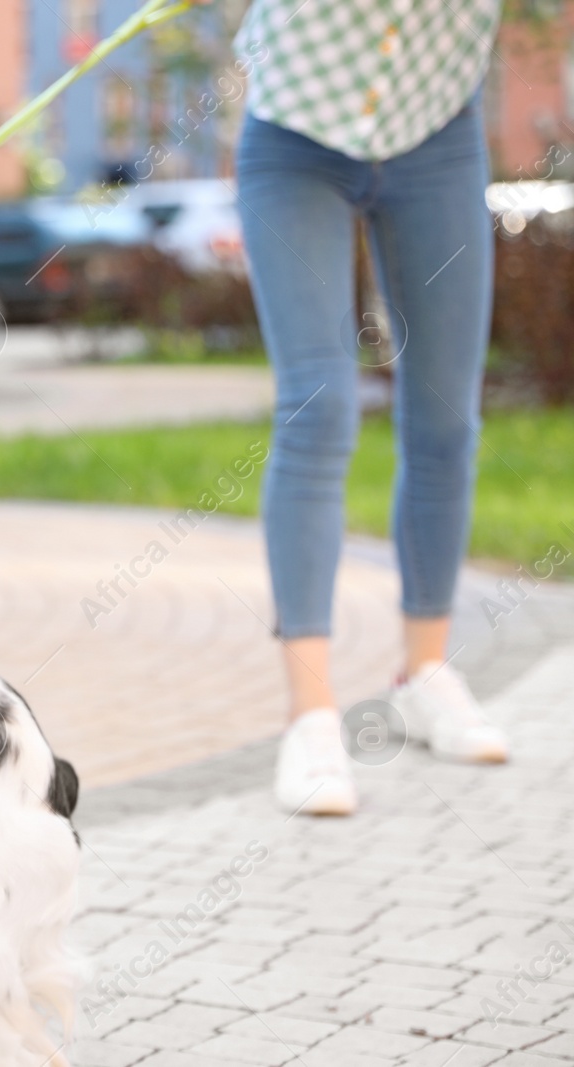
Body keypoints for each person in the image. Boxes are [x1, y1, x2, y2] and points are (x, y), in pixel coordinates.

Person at [225, 0, 510, 815]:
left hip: (437, 133)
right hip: (295, 138)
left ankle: (424, 672)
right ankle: (310, 714)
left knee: (446, 420)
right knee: (318, 407)